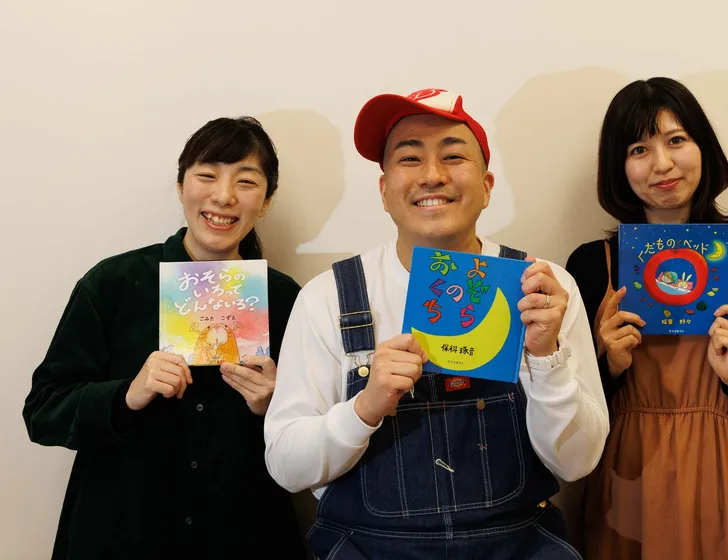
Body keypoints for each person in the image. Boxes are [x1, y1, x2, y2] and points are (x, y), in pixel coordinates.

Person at [263, 88, 609, 559]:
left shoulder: (542, 289)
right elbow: (286, 465)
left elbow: (577, 462)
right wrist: (364, 408)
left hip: (517, 544)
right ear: (384, 191)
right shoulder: (327, 298)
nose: (432, 175)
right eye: (409, 158)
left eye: (453, 156)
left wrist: (546, 359)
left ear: (486, 186)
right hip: (367, 548)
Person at [23, 117, 307, 559]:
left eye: (246, 181)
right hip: (120, 535)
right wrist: (125, 395)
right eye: (207, 175)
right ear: (180, 186)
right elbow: (43, 411)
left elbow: (317, 437)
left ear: (266, 201)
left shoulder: (288, 299)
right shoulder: (114, 284)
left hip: (241, 535)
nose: (224, 196)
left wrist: (275, 405)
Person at [565, 77, 728, 559]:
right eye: (639, 149)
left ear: (704, 147)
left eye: (676, 140)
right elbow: (561, 408)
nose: (662, 164)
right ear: (618, 167)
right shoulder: (590, 265)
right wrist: (609, 368)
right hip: (629, 487)